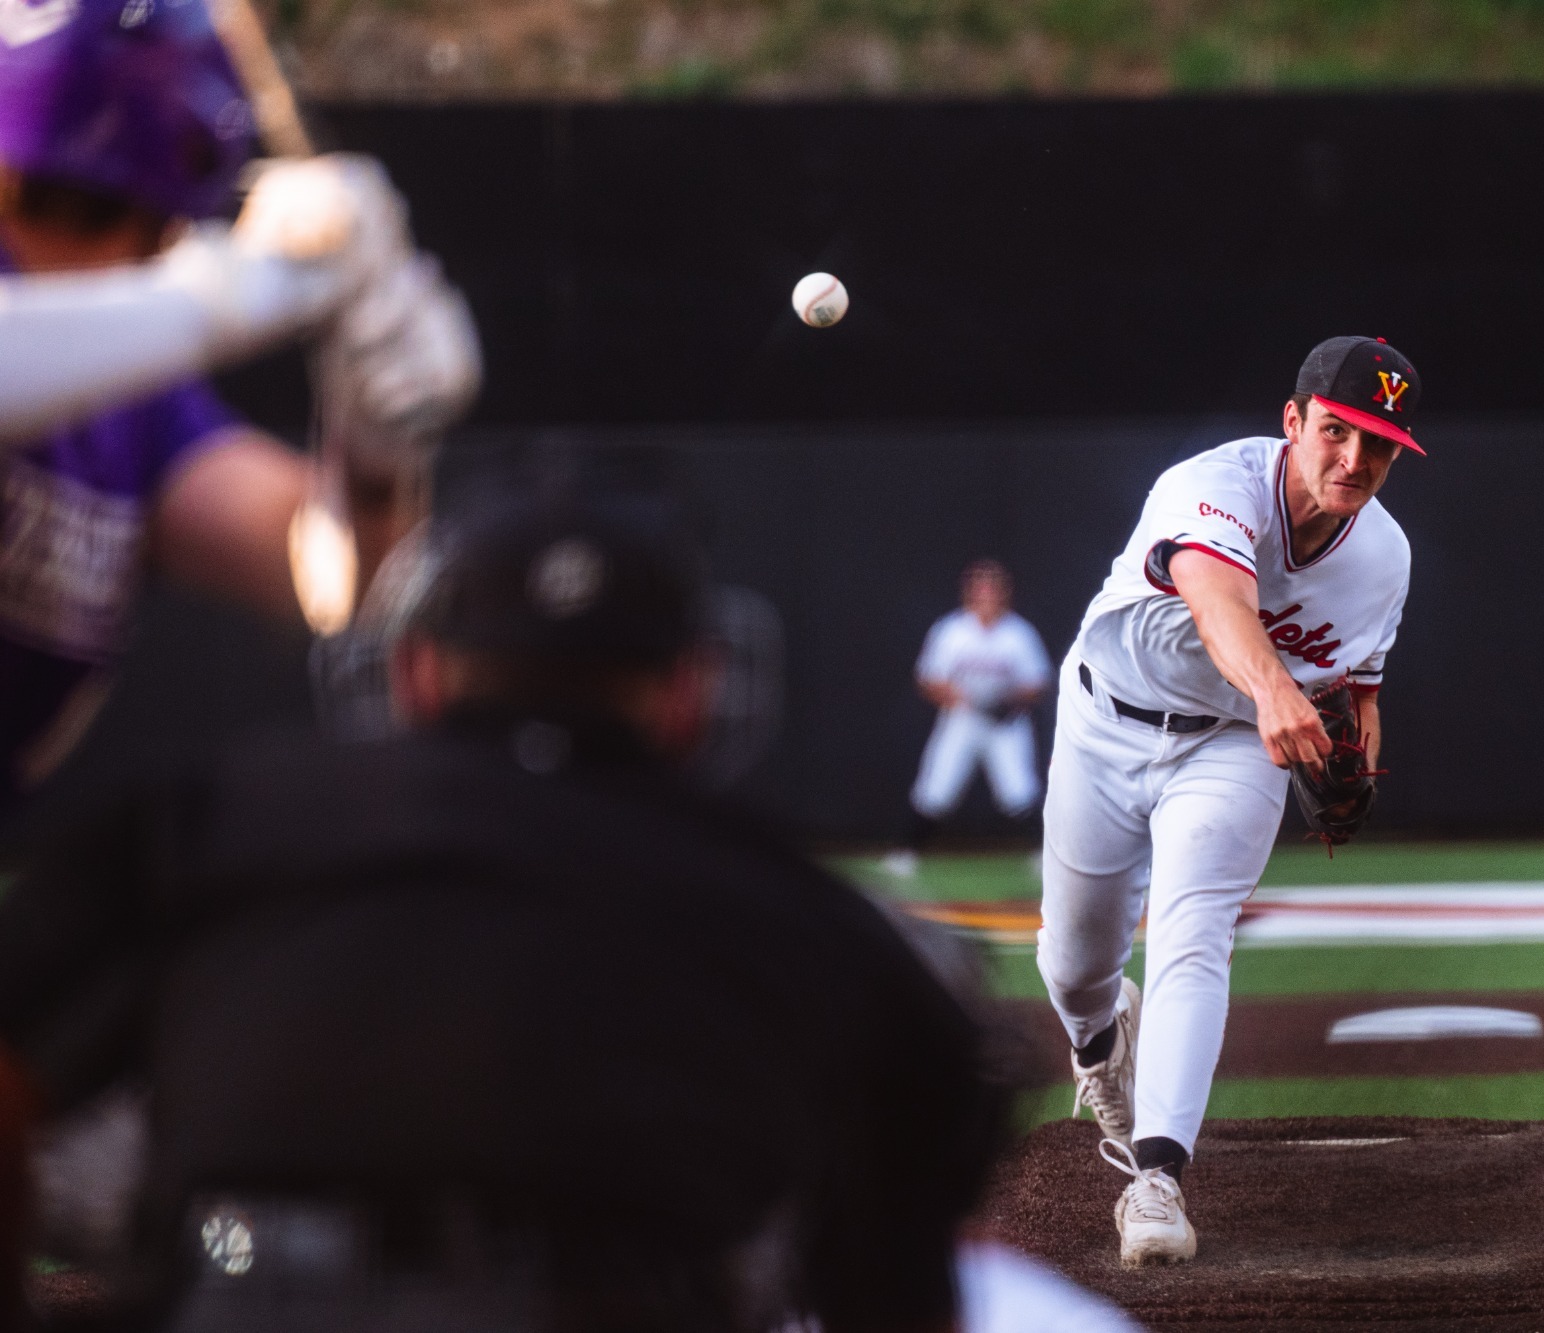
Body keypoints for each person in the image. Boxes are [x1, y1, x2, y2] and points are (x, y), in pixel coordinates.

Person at [0, 480, 1011, 1331]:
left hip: (245, 1296)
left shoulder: (215, 818)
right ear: (689, 692)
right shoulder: (801, 908)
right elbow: (906, 1244)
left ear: (414, 671)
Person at [0, 0, 478, 814]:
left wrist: (377, 451)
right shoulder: (142, 324)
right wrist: (229, 297)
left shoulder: (130, 398)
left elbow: (332, 584)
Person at [1038, 337, 1421, 1268]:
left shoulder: (1386, 556)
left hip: (1234, 745)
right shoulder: (1212, 483)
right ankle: (1099, 1043)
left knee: (1194, 930)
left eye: (1378, 444)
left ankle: (1157, 1178)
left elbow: (1361, 683)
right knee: (1073, 964)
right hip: (1106, 719)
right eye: (1336, 432)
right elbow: (1217, 599)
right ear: (1293, 421)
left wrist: (1360, 738)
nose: (1354, 460)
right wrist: (1277, 688)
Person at [884, 560, 1051, 878]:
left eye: (993, 589)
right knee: (936, 788)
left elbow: (1037, 683)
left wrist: (1007, 699)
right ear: (969, 593)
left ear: (1004, 594)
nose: (987, 596)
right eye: (980, 589)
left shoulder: (1018, 634)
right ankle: (905, 852)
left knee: (1020, 792)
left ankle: (1045, 855)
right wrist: (961, 698)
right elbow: (928, 679)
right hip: (962, 719)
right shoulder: (952, 630)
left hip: (1004, 722)